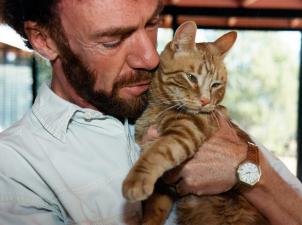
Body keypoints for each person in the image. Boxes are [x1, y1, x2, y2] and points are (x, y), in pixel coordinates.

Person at [0, 0, 301, 224]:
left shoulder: (188, 101)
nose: (150, 57)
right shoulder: (15, 168)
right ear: (44, 39)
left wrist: (251, 171)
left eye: (152, 23)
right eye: (113, 40)